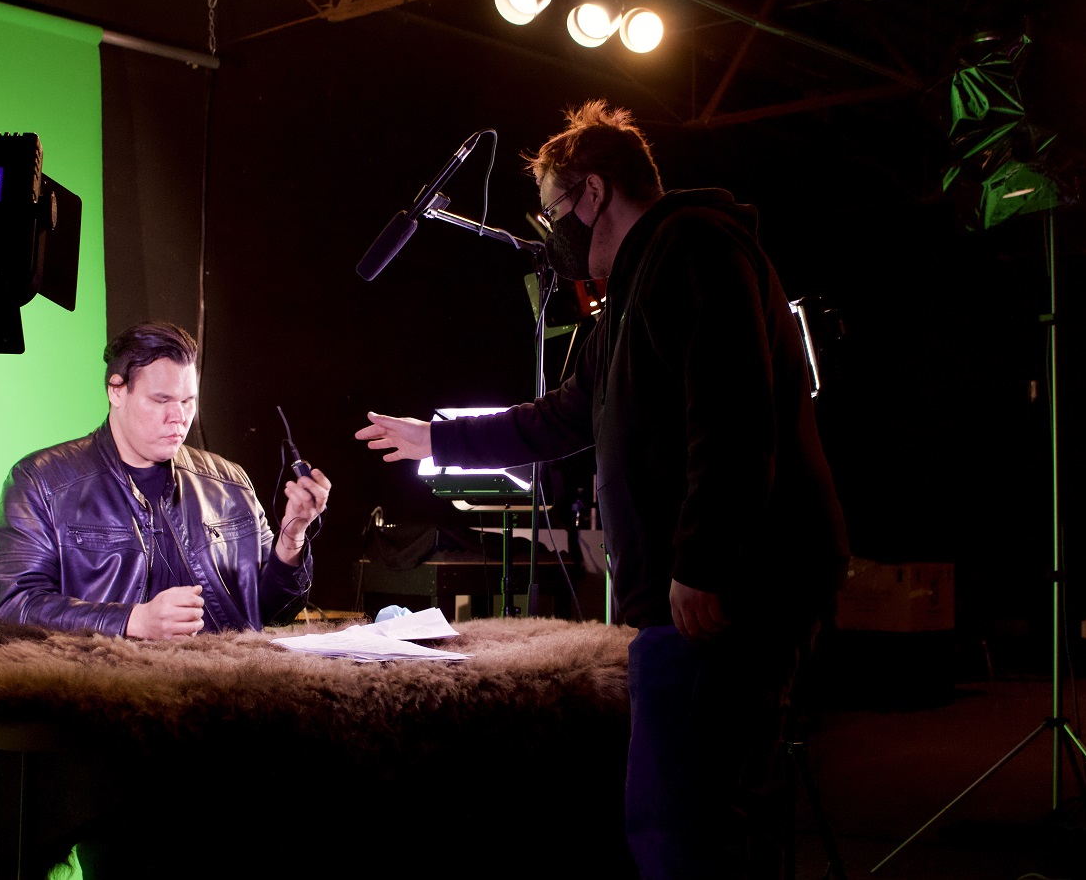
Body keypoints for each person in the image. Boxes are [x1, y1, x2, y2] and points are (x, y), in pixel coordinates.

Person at [355, 101, 847, 878]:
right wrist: (438, 439)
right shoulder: (636, 290)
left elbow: (732, 413)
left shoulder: (693, 247)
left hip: (729, 585)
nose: (556, 232)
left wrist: (701, 564)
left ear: (593, 191)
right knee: (679, 814)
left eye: (556, 211)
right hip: (697, 586)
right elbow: (563, 417)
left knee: (686, 822)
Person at [0, 320, 330, 639]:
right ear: (116, 391)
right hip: (105, 689)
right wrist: (133, 621)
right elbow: (12, 608)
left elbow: (274, 612)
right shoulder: (41, 481)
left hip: (228, 687)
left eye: (187, 401)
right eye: (161, 400)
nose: (179, 417)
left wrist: (292, 539)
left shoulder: (229, 481)